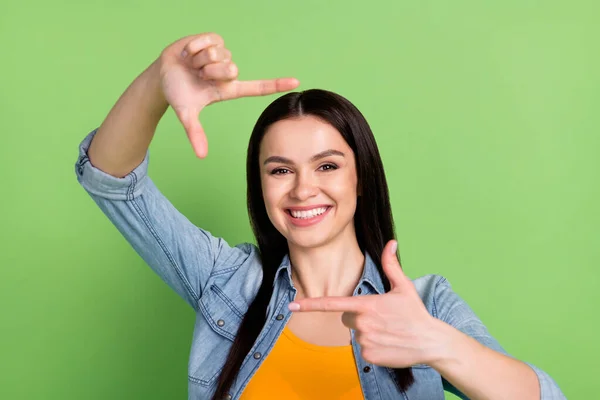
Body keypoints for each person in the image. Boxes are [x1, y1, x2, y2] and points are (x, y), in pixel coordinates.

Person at [74, 32, 565, 400]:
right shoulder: (225, 280)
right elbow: (110, 179)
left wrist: (440, 346)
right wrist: (156, 83)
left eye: (327, 165)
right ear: (261, 185)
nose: (303, 188)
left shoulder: (425, 306)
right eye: (280, 169)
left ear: (361, 176)